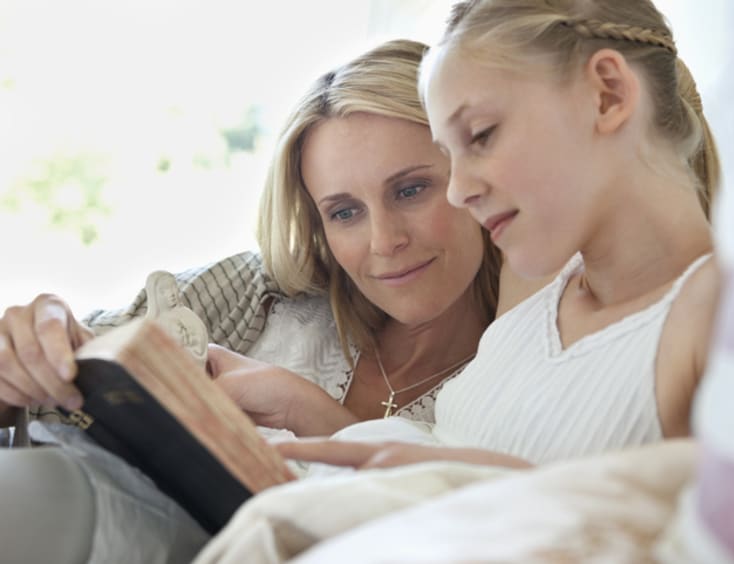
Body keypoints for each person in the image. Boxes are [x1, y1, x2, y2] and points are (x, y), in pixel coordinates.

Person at [0, 39, 501, 564]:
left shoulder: (517, 381)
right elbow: (73, 363)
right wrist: (29, 350)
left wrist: (311, 412)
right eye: (344, 212)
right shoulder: (255, 294)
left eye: (410, 190)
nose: (383, 241)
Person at [276, 0, 722, 473]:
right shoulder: (538, 286)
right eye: (450, 153)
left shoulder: (718, 319)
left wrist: (482, 488)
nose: (459, 189)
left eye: (482, 135)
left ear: (607, 95)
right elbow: (462, 454)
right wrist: (308, 416)